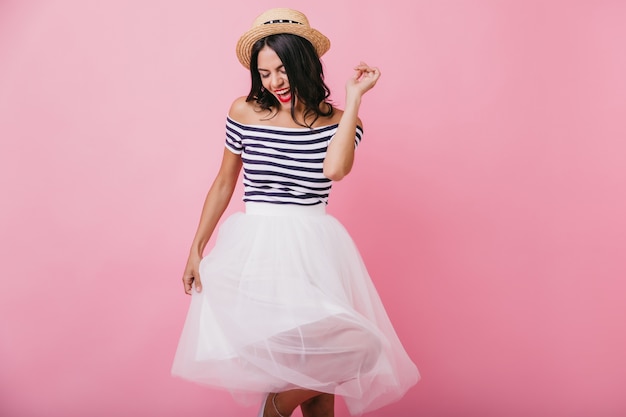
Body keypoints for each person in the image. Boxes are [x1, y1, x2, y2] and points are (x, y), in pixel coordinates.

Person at [171, 7, 420, 417]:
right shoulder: (244, 112)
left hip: (314, 248)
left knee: (339, 353)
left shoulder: (339, 121)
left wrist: (355, 98)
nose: (274, 82)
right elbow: (223, 183)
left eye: (282, 69)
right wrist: (196, 248)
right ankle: (277, 401)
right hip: (259, 247)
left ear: (304, 62)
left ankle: (276, 406)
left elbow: (335, 170)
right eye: (265, 74)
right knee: (291, 358)